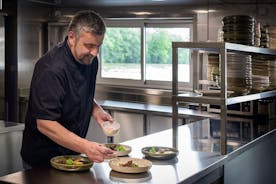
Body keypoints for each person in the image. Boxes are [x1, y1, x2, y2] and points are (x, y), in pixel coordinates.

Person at [20, 10, 114, 167]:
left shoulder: (90, 60)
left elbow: (77, 93)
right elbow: (45, 123)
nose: (95, 52)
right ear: (72, 37)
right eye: (89, 45)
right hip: (42, 161)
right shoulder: (51, 68)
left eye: (98, 46)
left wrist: (96, 110)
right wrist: (85, 146)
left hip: (72, 155)